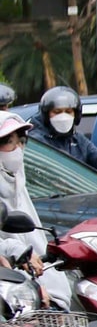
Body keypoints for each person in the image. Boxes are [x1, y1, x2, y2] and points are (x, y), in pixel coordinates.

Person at [30, 86, 97, 179]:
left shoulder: (78, 140)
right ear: (46, 115)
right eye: (57, 112)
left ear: (76, 115)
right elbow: (63, 174)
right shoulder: (37, 142)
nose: (63, 117)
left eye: (68, 111)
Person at [0, 113, 48, 275]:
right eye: (9, 142)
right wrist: (15, 250)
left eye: (21, 142)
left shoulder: (17, 181)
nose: (17, 149)